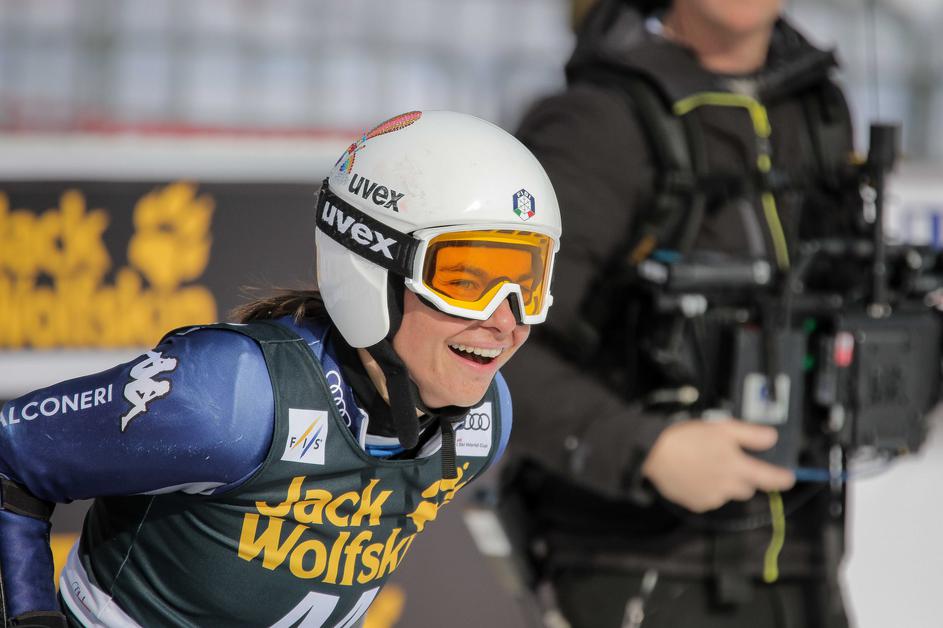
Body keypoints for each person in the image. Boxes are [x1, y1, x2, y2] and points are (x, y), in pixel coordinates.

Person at [0, 110, 562, 627]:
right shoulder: (233, 400)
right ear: (372, 270)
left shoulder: (483, 422)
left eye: (528, 285)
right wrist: (31, 617)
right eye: (465, 282)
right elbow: (13, 457)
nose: (505, 321)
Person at [499, 1, 863, 626]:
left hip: (806, 569)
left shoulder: (819, 110)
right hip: (636, 566)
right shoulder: (597, 121)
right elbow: (492, 348)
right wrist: (647, 449)